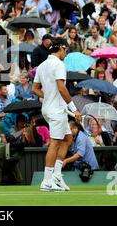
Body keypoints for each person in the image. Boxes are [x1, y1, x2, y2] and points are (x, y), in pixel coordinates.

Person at [33, 37, 82, 191]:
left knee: (67, 139)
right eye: (66, 50)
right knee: (55, 142)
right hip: (56, 111)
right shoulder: (59, 65)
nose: (66, 54)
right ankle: (47, 181)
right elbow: (62, 88)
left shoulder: (41, 66)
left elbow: (34, 89)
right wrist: (74, 109)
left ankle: (56, 176)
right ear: (61, 47)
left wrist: (48, 97)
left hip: (48, 109)